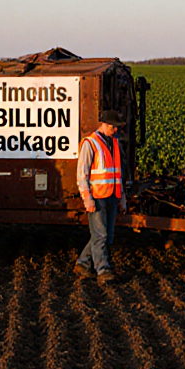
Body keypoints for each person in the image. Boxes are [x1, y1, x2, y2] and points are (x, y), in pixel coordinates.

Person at [74, 109, 128, 285]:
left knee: (106, 235)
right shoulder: (90, 144)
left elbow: (118, 173)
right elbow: (82, 174)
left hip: (112, 195)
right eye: (114, 127)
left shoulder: (115, 143)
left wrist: (122, 197)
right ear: (104, 125)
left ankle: (83, 264)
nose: (116, 130)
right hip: (97, 197)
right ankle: (103, 271)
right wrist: (87, 199)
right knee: (101, 235)